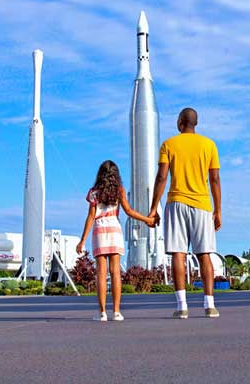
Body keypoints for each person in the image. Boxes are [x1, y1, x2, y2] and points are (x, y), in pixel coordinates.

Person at [148, 107, 221, 319]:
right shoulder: (209, 145)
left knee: (178, 254)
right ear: (195, 123)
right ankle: (210, 305)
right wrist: (218, 210)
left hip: (176, 202)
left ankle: (182, 307)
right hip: (202, 204)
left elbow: (161, 178)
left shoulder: (169, 144)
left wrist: (154, 207)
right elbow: (215, 179)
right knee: (204, 254)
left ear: (180, 122)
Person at [76, 159, 156, 322]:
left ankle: (102, 312)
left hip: (100, 230)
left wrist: (82, 240)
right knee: (115, 273)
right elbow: (128, 211)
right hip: (114, 229)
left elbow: (91, 216)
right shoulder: (119, 190)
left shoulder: (94, 192)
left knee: (101, 272)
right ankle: (117, 311)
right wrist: (146, 219)